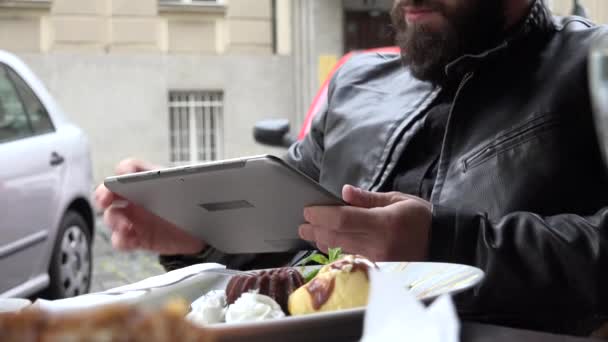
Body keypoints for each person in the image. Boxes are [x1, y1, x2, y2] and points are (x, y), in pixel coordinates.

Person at [96, 0, 608, 336]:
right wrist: (195, 233)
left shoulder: (591, 65)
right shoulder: (357, 83)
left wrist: (442, 245)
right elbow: (288, 219)